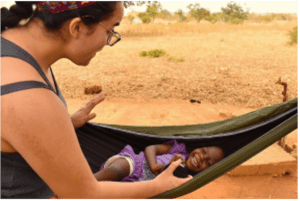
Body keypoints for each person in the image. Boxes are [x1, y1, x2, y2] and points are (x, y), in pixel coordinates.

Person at [0, 1, 192, 200]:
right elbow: (84, 193)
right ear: (77, 27)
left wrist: (64, 123)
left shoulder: (13, 46)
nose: (109, 41)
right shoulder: (31, 98)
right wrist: (159, 186)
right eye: (110, 30)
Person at [94, 140, 224, 181]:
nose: (201, 157)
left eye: (207, 162)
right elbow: (151, 148)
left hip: (137, 186)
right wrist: (153, 165)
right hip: (135, 163)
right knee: (118, 169)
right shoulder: (180, 150)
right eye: (203, 151)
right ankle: (89, 181)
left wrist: (172, 168)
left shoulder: (188, 180)